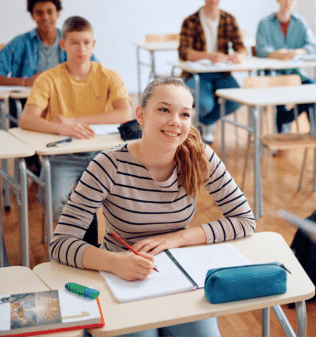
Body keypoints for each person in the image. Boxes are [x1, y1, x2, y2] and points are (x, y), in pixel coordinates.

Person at [50, 77, 256, 336]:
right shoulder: (108, 165)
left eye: (184, 114)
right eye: (164, 110)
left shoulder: (199, 155)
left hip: (178, 277)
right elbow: (60, 243)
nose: (175, 122)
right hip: (121, 279)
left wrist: (178, 238)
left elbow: (244, 220)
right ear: (141, 115)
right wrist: (116, 263)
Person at [19, 16, 131, 246]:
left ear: (94, 44)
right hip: (63, 156)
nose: (82, 49)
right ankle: (87, 243)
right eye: (75, 43)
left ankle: (96, 247)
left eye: (87, 42)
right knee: (54, 201)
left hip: (103, 154)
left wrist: (74, 120)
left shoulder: (109, 76)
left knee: (127, 202)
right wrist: (61, 127)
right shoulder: (49, 78)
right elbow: (27, 119)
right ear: (63, 44)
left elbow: (125, 114)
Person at [0, 0, 97, 171]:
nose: (45, 17)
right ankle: (33, 162)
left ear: (58, 13)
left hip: (66, 104)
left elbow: (94, 68)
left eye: (50, 11)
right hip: (30, 105)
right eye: (39, 12)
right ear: (32, 15)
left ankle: (64, 160)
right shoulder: (20, 43)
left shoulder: (71, 40)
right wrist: (25, 82)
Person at [178, 0, 247, 144]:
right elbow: (184, 52)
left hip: (222, 74)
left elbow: (241, 47)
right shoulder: (190, 21)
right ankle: (207, 122)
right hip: (196, 74)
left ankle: (205, 122)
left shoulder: (229, 19)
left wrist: (240, 56)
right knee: (205, 104)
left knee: (238, 99)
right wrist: (209, 55)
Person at [255, 0, 316, 133]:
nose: (287, 2)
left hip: (296, 74)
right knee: (279, 95)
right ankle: (282, 121)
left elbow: (315, 46)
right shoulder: (265, 23)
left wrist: (298, 52)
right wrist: (277, 54)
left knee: (314, 91)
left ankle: (285, 119)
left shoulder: (301, 23)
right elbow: (260, 49)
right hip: (272, 76)